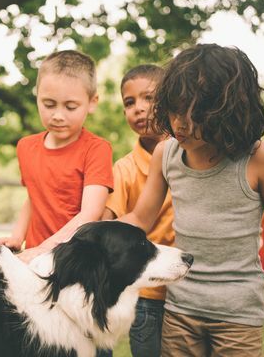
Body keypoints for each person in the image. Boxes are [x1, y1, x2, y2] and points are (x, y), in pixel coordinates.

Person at [120, 43, 264, 356]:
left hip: (238, 319)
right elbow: (139, 219)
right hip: (181, 312)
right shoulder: (167, 154)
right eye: (176, 110)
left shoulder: (260, 159)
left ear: (229, 111)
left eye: (197, 114)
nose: (180, 124)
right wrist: (83, 234)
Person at [0, 50, 114, 264]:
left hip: (77, 260)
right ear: (37, 96)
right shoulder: (26, 147)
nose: (57, 115)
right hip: (34, 258)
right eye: (48, 104)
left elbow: (90, 214)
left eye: (70, 107)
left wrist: (44, 249)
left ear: (92, 102)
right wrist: (17, 237)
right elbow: (34, 197)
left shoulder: (97, 149)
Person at [99, 64, 174, 357]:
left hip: (191, 294)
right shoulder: (125, 169)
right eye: (129, 103)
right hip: (146, 294)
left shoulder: (192, 157)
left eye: (149, 98)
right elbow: (108, 223)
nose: (139, 109)